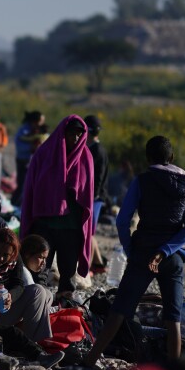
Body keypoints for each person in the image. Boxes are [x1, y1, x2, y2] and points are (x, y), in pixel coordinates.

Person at [82, 136, 185, 368]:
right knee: (172, 318)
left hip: (143, 252)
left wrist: (131, 248)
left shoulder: (143, 180)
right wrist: (166, 250)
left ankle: (89, 361)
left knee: (120, 310)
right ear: (171, 157)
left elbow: (123, 220)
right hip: (172, 257)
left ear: (148, 158)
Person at [20, 115, 94, 301]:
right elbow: (30, 189)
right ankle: (36, 307)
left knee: (68, 272)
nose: (75, 138)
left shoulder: (86, 158)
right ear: (63, 133)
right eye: (71, 134)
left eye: (79, 134)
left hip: (71, 227)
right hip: (44, 224)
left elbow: (88, 196)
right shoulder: (44, 154)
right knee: (39, 270)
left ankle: (64, 311)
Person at [84, 115, 110, 274]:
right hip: (95, 197)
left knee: (88, 232)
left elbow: (98, 177)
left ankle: (89, 266)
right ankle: (98, 264)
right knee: (90, 232)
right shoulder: (96, 149)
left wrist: (91, 196)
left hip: (95, 198)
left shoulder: (97, 151)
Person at [12, 110, 47, 206]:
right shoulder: (24, 130)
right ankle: (14, 204)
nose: (42, 123)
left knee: (29, 186)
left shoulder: (37, 130)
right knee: (22, 185)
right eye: (41, 121)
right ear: (35, 121)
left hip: (32, 162)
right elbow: (19, 144)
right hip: (23, 161)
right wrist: (31, 148)